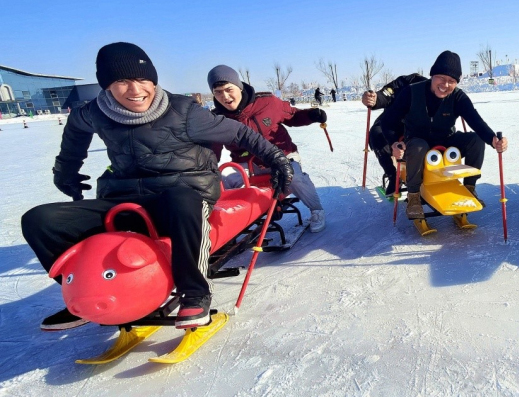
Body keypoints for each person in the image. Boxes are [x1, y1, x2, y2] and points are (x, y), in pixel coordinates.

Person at [20, 42, 294, 331]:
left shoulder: (184, 111)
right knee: (40, 221)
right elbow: (74, 132)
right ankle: (84, 292)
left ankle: (195, 292)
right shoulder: (94, 112)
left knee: (182, 201)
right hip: (123, 197)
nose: (135, 90)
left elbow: (239, 131)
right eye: (122, 81)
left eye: (142, 80)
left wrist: (278, 160)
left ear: (153, 80)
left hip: (182, 194)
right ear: (106, 86)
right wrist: (65, 172)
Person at [380, 51, 508, 219]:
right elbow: (387, 121)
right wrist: (395, 144)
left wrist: (494, 140)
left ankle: (469, 188)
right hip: (416, 142)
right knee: (419, 146)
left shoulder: (458, 97)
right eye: (441, 77)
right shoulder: (411, 92)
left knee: (475, 140)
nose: (445, 84)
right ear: (432, 76)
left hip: (445, 140)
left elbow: (476, 122)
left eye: (452, 81)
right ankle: (413, 198)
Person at [207, 65, 327, 232]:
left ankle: (316, 209)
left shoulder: (267, 103)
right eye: (218, 92)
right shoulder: (216, 119)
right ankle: (224, 223)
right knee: (220, 179)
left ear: (239, 87)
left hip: (282, 156)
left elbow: (292, 115)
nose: (225, 96)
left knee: (294, 175)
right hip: (248, 164)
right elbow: (211, 150)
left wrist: (311, 115)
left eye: (229, 89)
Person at [361, 73, 427, 194]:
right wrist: (374, 99)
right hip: (391, 120)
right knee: (376, 134)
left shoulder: (429, 85)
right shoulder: (401, 83)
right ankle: (392, 175)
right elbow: (384, 95)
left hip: (416, 123)